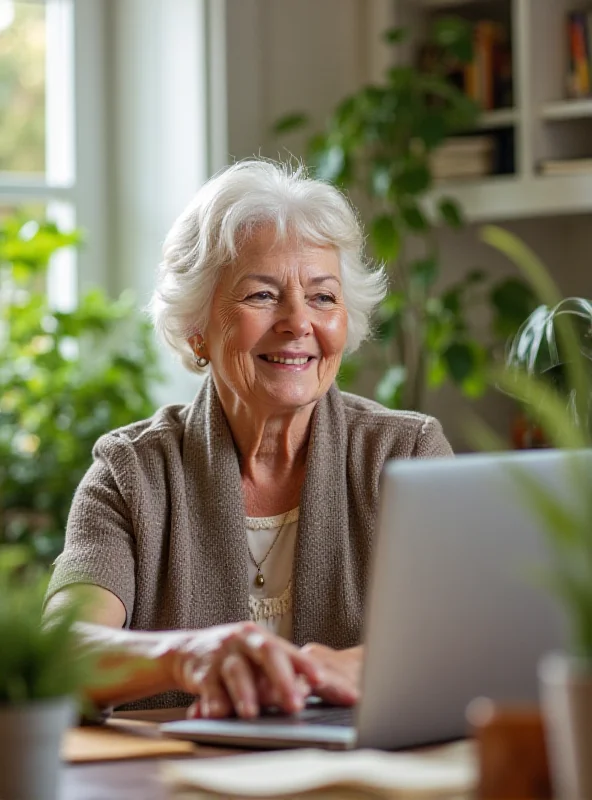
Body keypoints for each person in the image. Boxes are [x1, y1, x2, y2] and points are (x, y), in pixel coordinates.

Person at [45, 159, 453, 719]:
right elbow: (62, 654)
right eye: (262, 296)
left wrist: (346, 668)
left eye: (323, 297)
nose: (298, 322)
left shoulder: (406, 454)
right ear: (198, 327)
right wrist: (188, 655)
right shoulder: (130, 473)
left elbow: (462, 641)